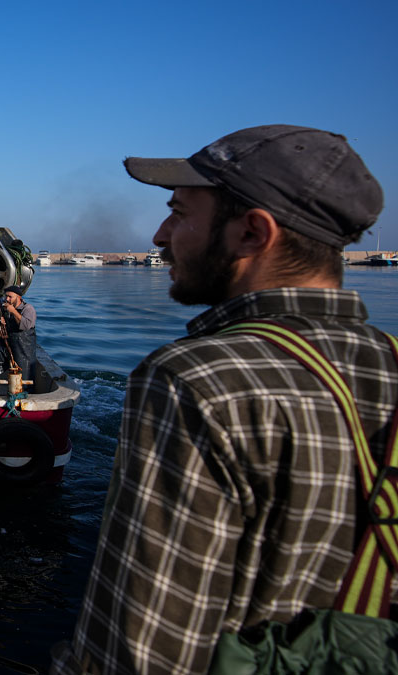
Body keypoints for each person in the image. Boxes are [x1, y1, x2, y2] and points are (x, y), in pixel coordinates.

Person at [52, 125, 394, 673]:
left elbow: (139, 648)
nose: (161, 236)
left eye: (181, 214)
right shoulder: (389, 362)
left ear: (253, 233)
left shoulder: (196, 380)